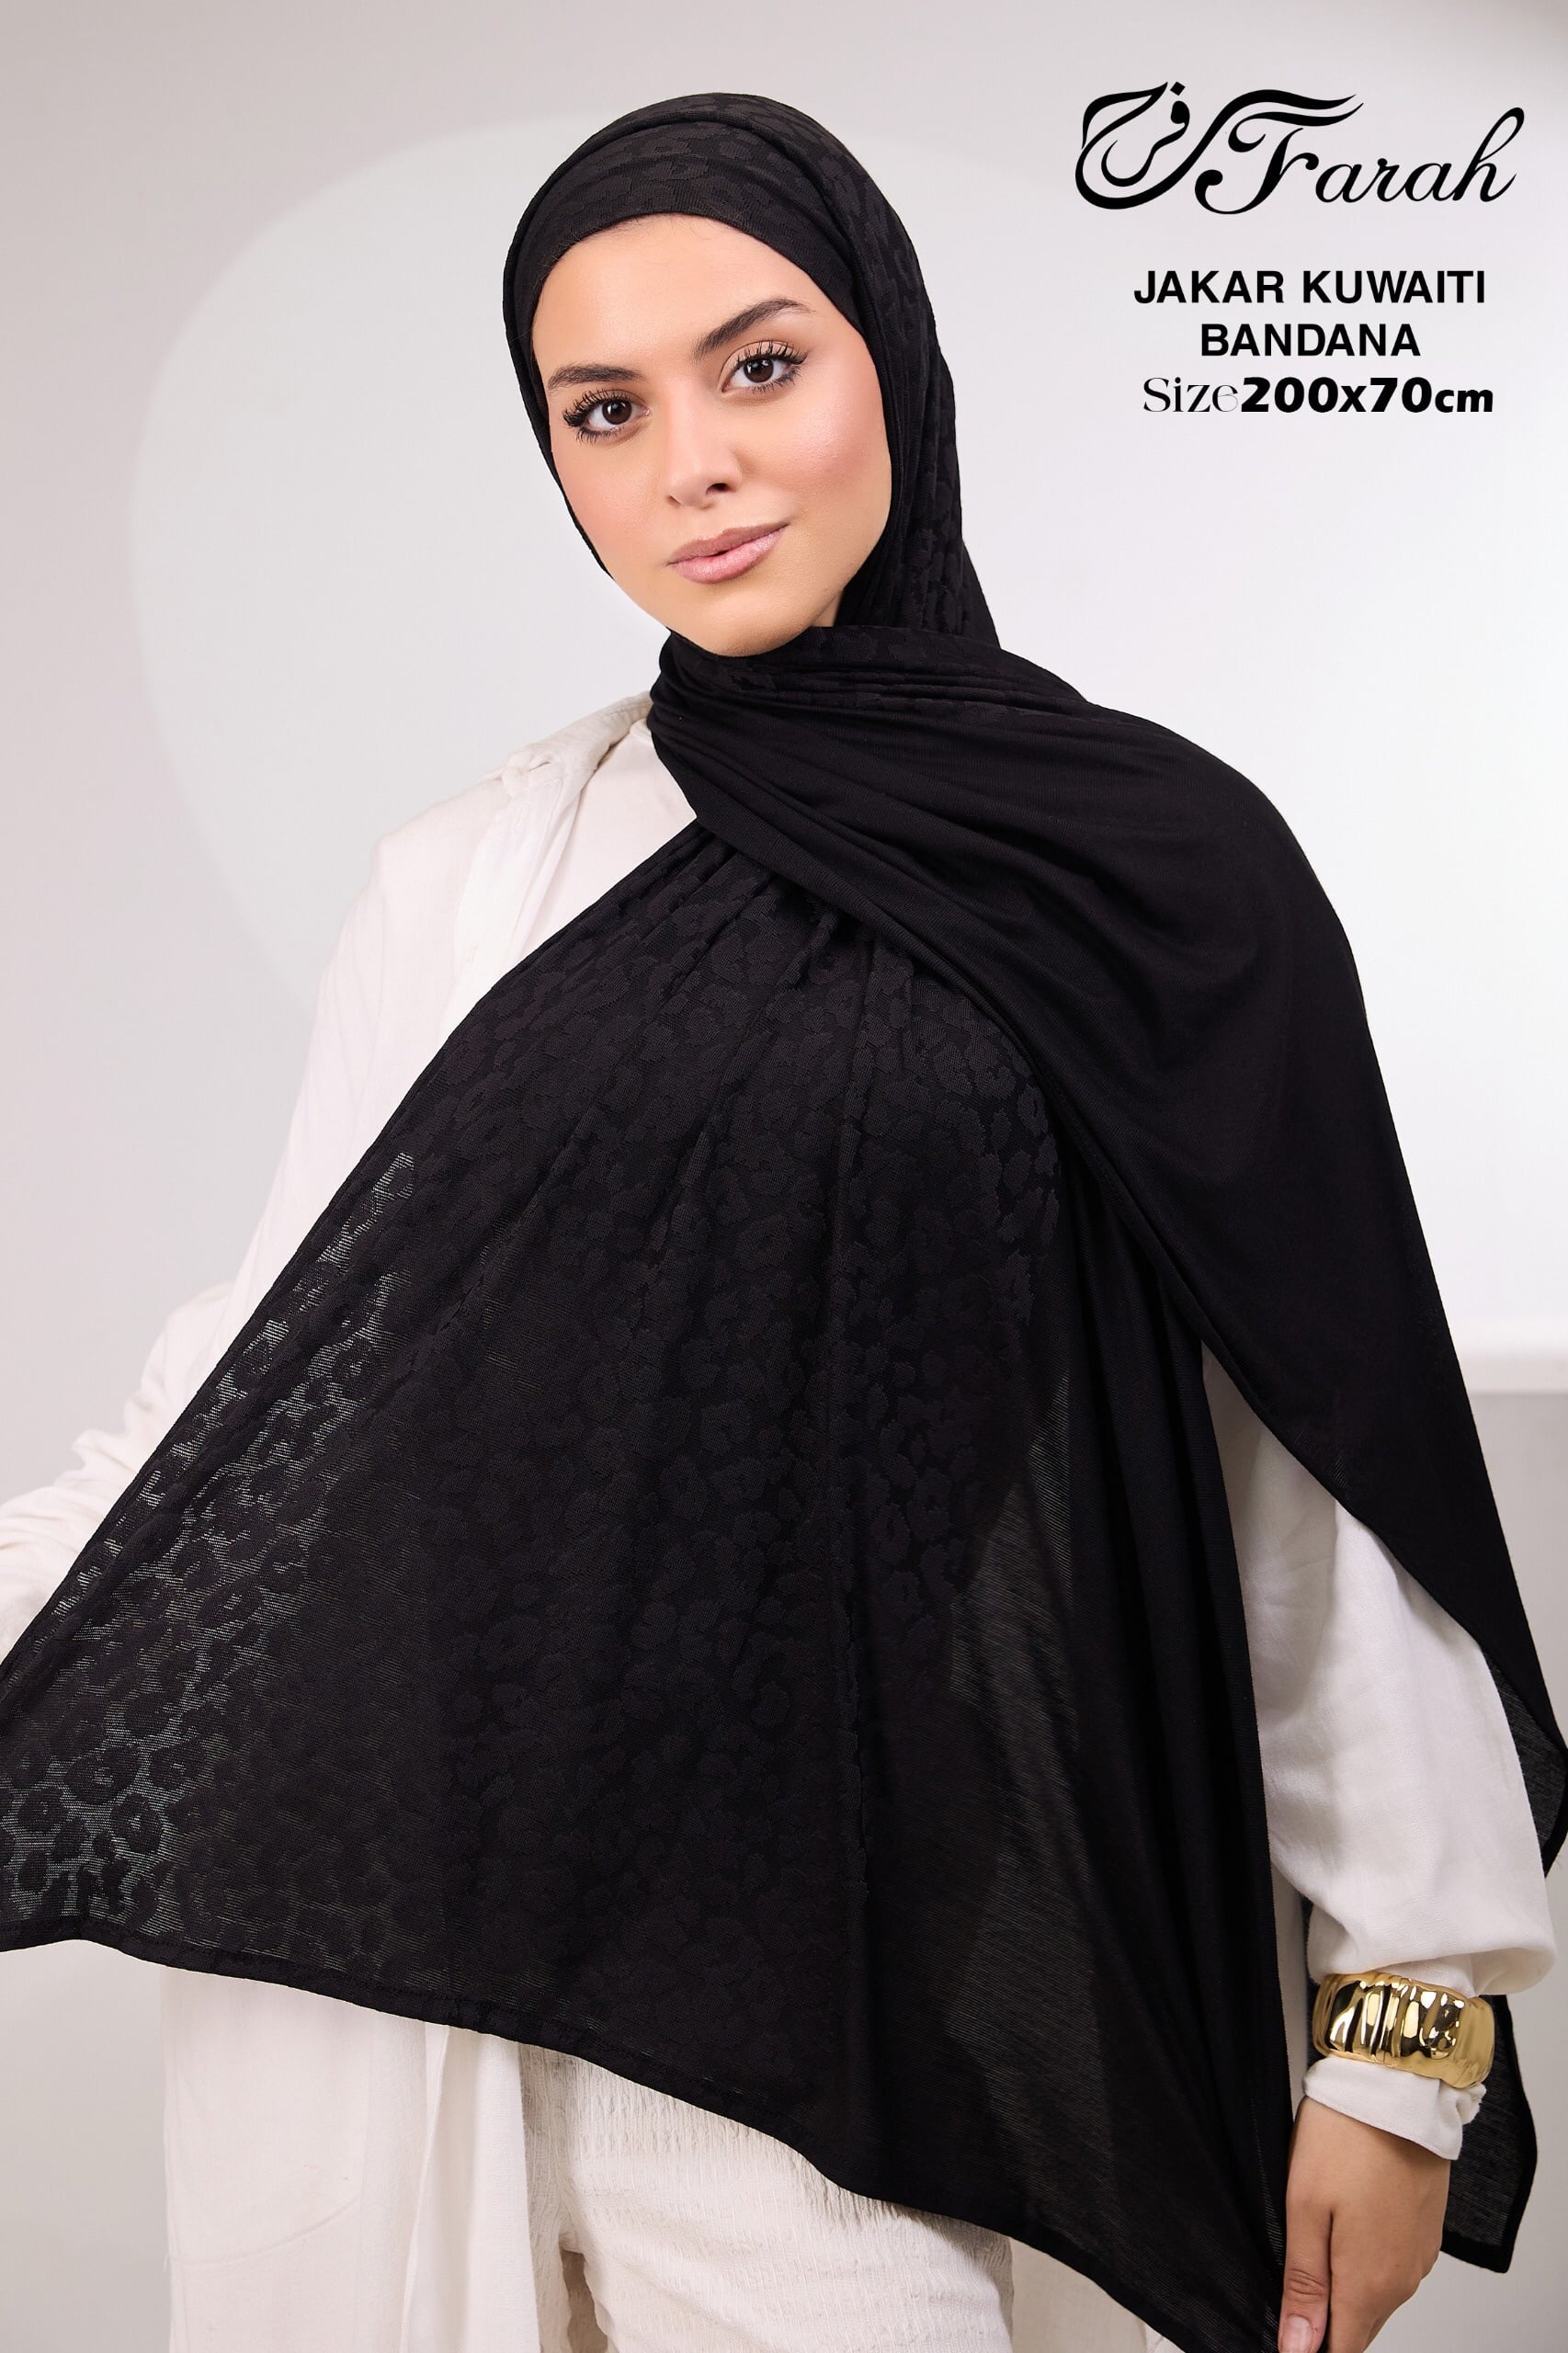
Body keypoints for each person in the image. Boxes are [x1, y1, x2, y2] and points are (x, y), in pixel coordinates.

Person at [0, 90, 1560, 2353]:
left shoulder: (1150, 871)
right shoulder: (479, 872)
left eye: (758, 365)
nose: (693, 467)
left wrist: (1407, 2031)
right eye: (604, 411)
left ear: (892, 363)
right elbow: (252, 1380)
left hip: (823, 1988)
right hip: (391, 1955)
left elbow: (1312, 1466)